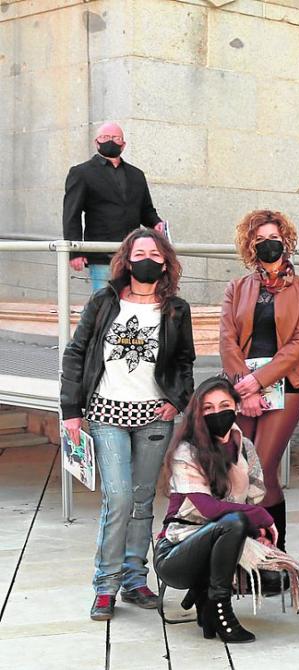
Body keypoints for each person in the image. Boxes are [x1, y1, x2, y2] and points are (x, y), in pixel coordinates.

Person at [60, 228, 195, 621]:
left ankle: (136, 579)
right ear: (127, 259)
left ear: (165, 261)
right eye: (140, 252)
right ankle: (105, 585)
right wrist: (71, 408)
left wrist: (177, 401)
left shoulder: (176, 308)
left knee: (140, 500)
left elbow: (185, 360)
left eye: (155, 252)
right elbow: (76, 353)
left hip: (154, 417)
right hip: (107, 415)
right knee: (117, 498)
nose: (147, 258)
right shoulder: (104, 301)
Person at [219, 209, 299, 593]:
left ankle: (276, 558)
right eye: (259, 240)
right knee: (239, 471)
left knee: (263, 467)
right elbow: (227, 337)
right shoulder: (237, 287)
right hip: (242, 388)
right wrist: (244, 385)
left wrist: (260, 381)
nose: (267, 244)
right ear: (250, 245)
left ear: (286, 240)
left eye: (273, 237)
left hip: (285, 385)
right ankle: (245, 559)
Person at [154, 377, 286, 643]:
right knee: (234, 521)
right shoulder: (186, 451)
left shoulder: (244, 446)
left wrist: (257, 531)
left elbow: (252, 498)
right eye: (208, 408)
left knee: (237, 523)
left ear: (237, 407)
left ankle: (205, 599)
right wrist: (260, 518)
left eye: (224, 405)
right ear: (198, 414)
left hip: (219, 543)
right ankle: (220, 608)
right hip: (177, 552)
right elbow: (209, 508)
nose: (218, 413)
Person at [62, 122, 167, 292]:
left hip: (132, 253)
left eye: (116, 138)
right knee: (103, 302)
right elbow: (71, 214)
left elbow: (146, 210)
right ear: (96, 142)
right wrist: (75, 251)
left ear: (123, 145)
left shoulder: (136, 175)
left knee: (131, 299)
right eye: (105, 137)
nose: (110, 141)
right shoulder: (82, 172)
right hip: (101, 254)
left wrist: (156, 223)